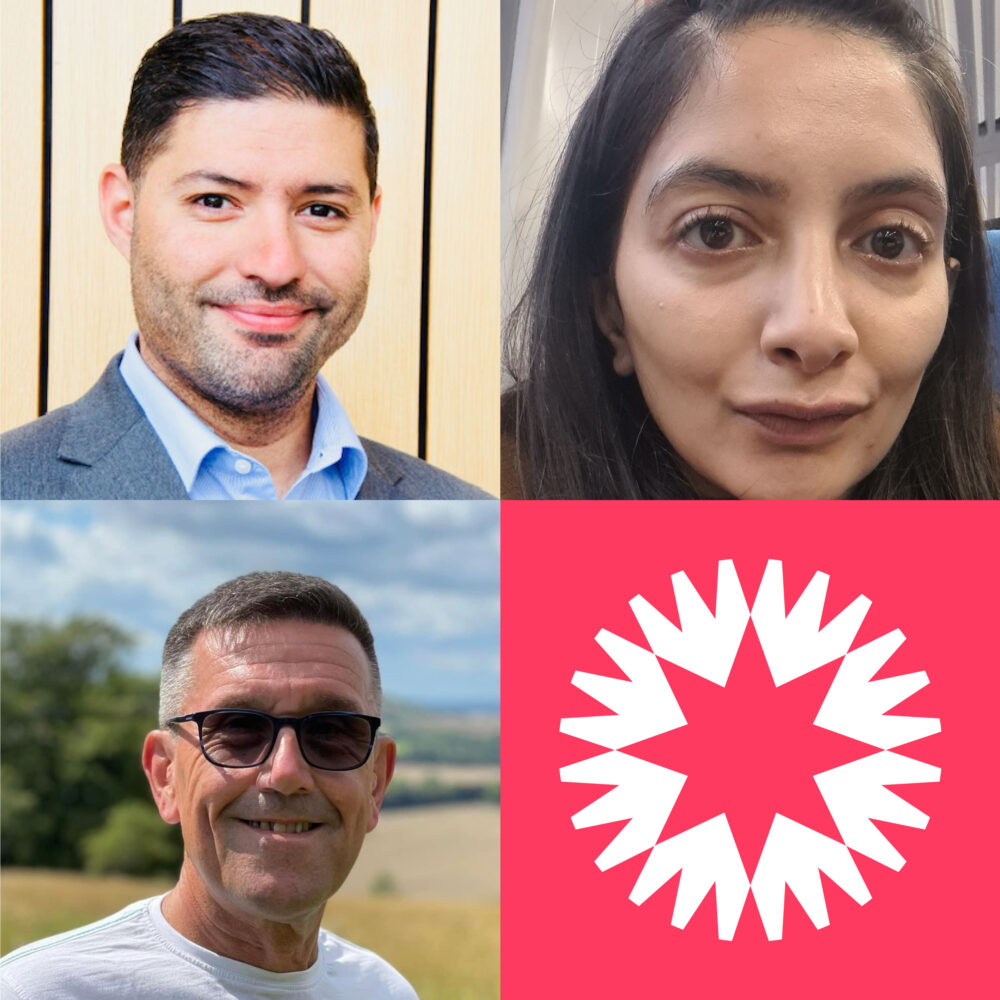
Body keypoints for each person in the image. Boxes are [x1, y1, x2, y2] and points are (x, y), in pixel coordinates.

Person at [502, 0, 1000, 499]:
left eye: (889, 242)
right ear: (610, 307)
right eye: (715, 231)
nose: (813, 330)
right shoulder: (471, 523)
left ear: (949, 297)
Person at [1, 13, 488, 500]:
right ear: (123, 211)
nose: (277, 265)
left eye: (321, 210)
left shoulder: (482, 526)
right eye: (214, 201)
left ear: (371, 222)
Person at [0, 571, 417, 999]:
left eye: (332, 732)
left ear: (376, 784)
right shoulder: (36, 991)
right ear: (165, 776)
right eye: (238, 728)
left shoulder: (383, 990)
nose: (287, 772)